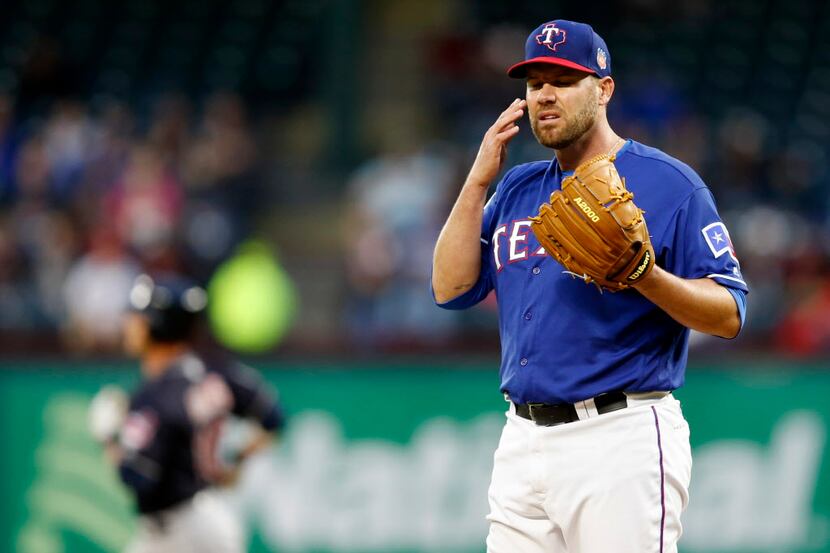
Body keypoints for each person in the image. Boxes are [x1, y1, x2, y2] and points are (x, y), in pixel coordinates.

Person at [432, 19, 748, 553]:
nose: (545, 96)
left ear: (603, 90)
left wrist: (646, 276)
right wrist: (477, 179)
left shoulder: (668, 183)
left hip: (619, 437)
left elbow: (729, 313)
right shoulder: (515, 186)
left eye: (563, 79)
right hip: (522, 439)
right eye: (535, 84)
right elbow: (449, 288)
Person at [88, 273, 286, 553]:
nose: (129, 323)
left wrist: (108, 438)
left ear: (157, 324)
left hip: (181, 530)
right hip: (206, 519)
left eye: (138, 317)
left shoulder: (154, 395)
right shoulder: (218, 372)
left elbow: (138, 478)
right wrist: (235, 462)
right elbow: (274, 418)